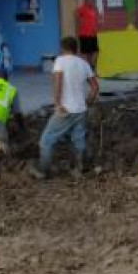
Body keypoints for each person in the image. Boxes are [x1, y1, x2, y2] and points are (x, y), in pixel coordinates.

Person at [31, 37, 99, 180]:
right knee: (78, 139)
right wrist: (88, 102)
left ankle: (43, 170)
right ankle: (79, 168)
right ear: (76, 48)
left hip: (65, 109)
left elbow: (58, 82)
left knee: (46, 140)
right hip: (80, 109)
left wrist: (58, 104)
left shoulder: (60, 61)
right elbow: (95, 87)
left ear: (62, 48)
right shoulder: (84, 63)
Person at [75, 0, 100, 70]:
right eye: (90, 0)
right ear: (86, 0)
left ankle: (91, 66)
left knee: (95, 51)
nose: (92, 1)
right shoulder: (82, 8)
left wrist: (96, 28)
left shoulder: (94, 9)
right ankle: (87, 67)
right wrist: (80, 20)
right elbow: (76, 13)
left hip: (93, 34)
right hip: (84, 34)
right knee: (85, 52)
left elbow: (96, 19)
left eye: (92, 0)